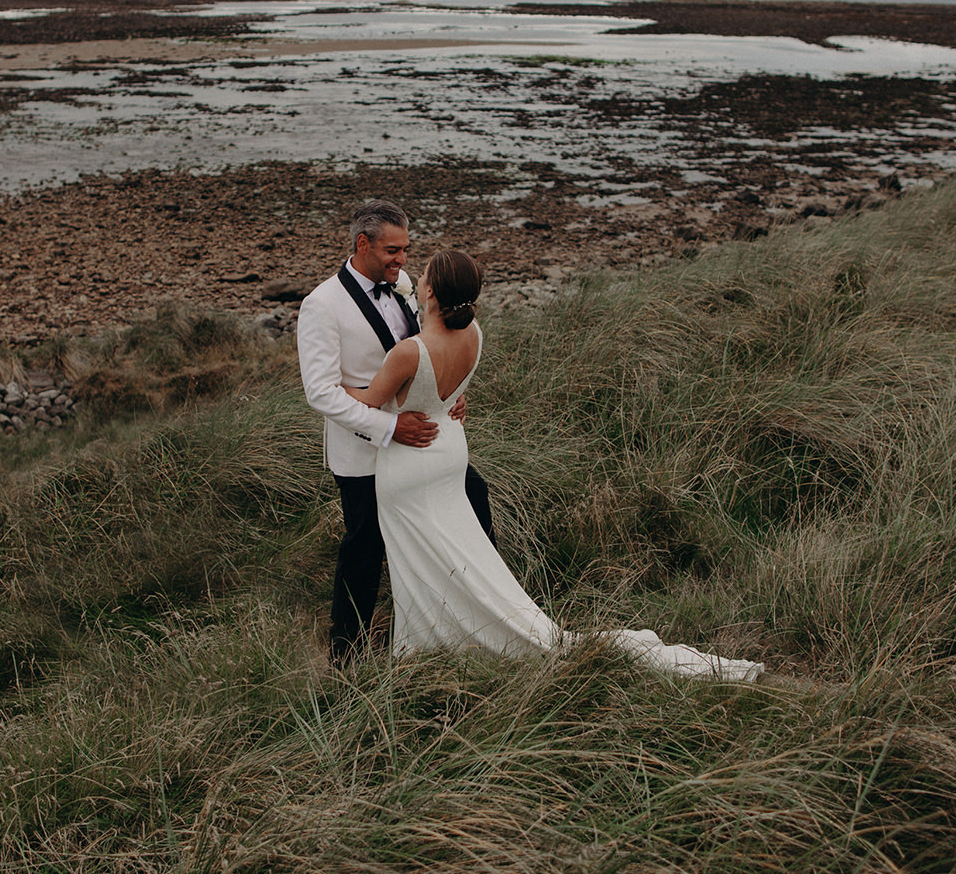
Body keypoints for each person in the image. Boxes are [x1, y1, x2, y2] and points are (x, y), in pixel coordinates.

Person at [343, 248, 764, 681]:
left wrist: (332, 383)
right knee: (461, 551)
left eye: (424, 274)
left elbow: (369, 401)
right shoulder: (475, 336)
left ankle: (440, 642)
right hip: (450, 452)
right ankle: (465, 627)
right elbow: (447, 391)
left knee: (423, 558)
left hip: (410, 466)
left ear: (428, 291)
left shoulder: (409, 352)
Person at [297, 200, 494, 663]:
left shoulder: (404, 286)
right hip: (363, 450)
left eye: (406, 249)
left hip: (421, 443)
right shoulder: (322, 305)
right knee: (365, 544)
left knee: (473, 501)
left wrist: (446, 394)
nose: (402, 260)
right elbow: (321, 394)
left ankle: (479, 612)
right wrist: (389, 427)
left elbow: (431, 350)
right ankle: (346, 653)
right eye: (392, 250)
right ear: (362, 244)